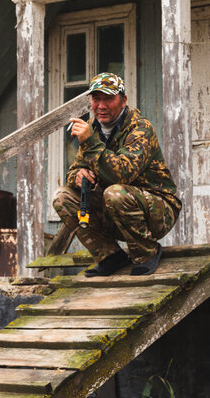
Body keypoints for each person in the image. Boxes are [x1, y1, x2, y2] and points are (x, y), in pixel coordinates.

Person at [53, 73, 181, 277]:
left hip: (158, 211)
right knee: (62, 197)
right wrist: (78, 175)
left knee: (115, 193)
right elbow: (73, 170)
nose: (101, 106)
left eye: (109, 99)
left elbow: (122, 174)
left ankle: (146, 253)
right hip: (114, 210)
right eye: (96, 99)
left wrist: (89, 142)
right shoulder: (92, 128)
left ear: (123, 100)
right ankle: (110, 256)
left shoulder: (140, 128)